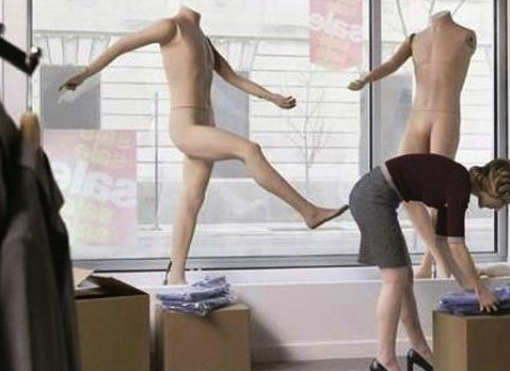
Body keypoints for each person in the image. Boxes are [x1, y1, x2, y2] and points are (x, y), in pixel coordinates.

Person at [60, 6, 348, 285]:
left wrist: (271, 97)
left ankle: (175, 275)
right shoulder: (171, 26)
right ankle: (308, 212)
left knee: (191, 201)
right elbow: (123, 44)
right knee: (249, 150)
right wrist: (84, 73)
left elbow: (233, 76)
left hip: (204, 125)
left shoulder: (203, 39)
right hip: (186, 128)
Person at [349, 154, 510, 371]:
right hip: (373, 198)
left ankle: (420, 350)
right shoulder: (459, 183)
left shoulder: (457, 182)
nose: (500, 208)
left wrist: (467, 284)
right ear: (495, 188)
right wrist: (479, 290)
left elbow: (443, 242)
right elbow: (457, 246)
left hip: (377, 197)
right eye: (503, 202)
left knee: (405, 278)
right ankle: (385, 359)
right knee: (395, 279)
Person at [348, 10, 476, 279]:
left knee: (439, 196)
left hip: (445, 117)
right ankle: (438, 257)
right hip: (417, 117)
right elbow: (391, 65)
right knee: (404, 189)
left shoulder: (465, 36)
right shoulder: (415, 39)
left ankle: (431, 263)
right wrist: (367, 77)